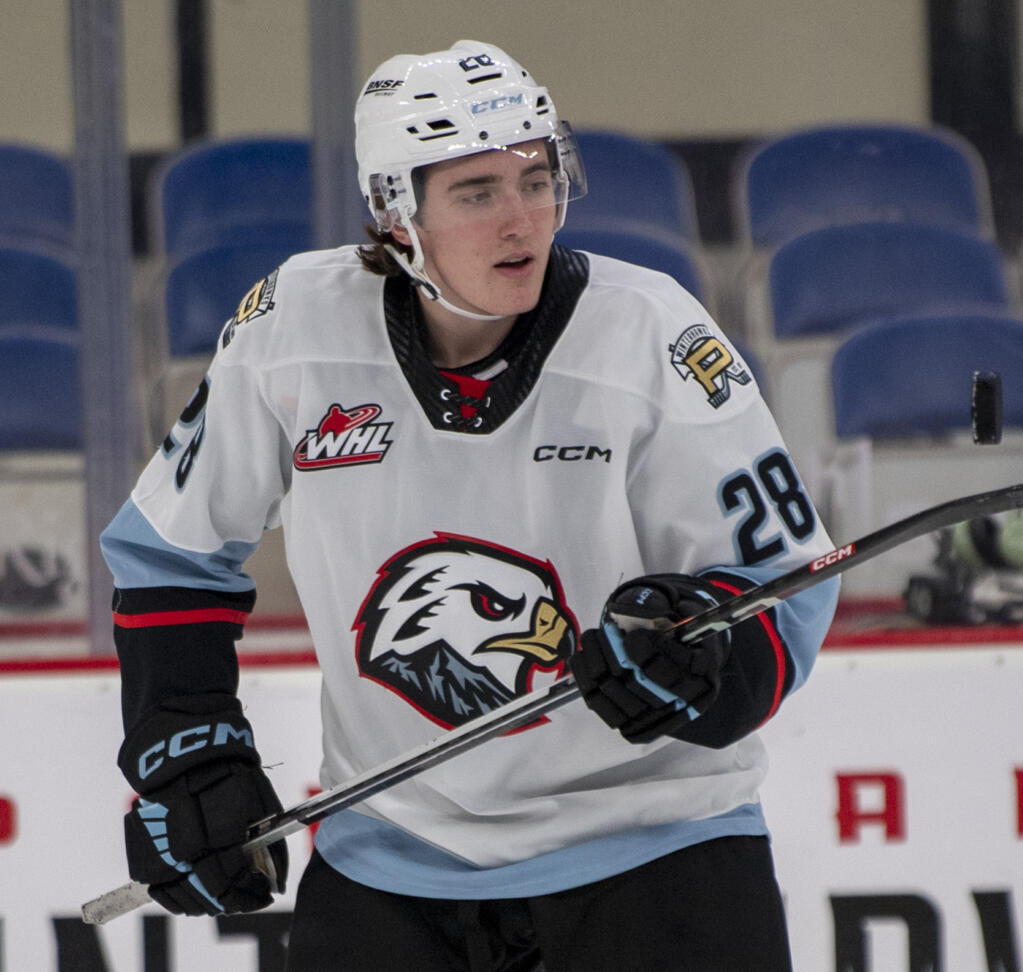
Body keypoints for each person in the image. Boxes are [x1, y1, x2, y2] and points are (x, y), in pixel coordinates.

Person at [101, 40, 840, 971]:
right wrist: (184, 740)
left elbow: (788, 583)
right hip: (395, 866)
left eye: (537, 177)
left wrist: (706, 661)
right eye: (476, 191)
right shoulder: (295, 329)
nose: (522, 219)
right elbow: (169, 552)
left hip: (660, 853)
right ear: (395, 214)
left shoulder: (652, 333)